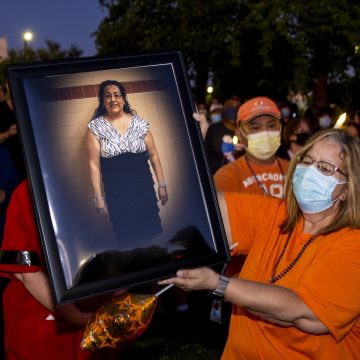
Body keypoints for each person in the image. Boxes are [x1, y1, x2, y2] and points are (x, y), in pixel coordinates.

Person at [160, 128, 360, 359]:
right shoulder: (275, 214)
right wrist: (188, 147)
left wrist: (218, 283)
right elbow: (204, 211)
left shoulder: (354, 246)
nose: (310, 172)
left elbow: (300, 311)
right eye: (307, 160)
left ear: (347, 188)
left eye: (325, 168)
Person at [0, 180, 120, 359]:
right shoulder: (29, 191)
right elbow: (26, 272)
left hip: (96, 314)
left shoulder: (104, 181)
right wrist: (77, 317)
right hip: (43, 321)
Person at [87, 80, 168, 248]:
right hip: (117, 193)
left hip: (143, 188)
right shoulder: (95, 128)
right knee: (127, 240)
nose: (113, 99)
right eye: (107, 96)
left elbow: (154, 156)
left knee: (150, 236)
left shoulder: (139, 124)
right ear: (103, 101)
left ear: (124, 99)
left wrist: (162, 185)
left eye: (117, 95)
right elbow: (94, 165)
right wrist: (98, 198)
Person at [213, 96, 289, 199]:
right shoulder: (227, 176)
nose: (265, 132)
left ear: (280, 128)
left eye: (271, 125)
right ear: (239, 134)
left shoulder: (297, 173)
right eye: (255, 127)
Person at [204, 98, 242, 174]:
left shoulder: (244, 130)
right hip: (216, 174)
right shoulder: (214, 129)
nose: (232, 109)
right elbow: (204, 152)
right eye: (229, 106)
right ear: (223, 110)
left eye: (236, 107)